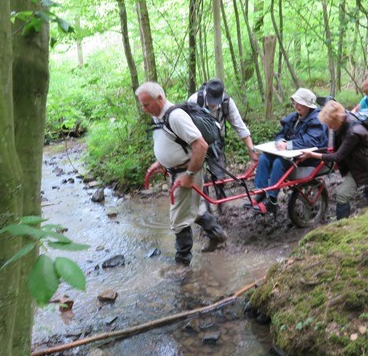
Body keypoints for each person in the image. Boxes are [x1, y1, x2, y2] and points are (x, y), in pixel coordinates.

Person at [136, 82, 227, 265]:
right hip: (176, 171)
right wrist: (160, 162)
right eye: (142, 105)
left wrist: (189, 174)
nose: (144, 109)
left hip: (186, 171)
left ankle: (182, 263)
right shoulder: (158, 115)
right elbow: (173, 142)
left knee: (178, 220)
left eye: (147, 104)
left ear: (160, 99)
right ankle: (217, 234)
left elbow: (201, 146)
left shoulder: (176, 116)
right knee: (190, 210)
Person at [298, 100, 368, 219]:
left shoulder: (353, 132)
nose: (329, 127)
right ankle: (341, 226)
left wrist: (312, 154)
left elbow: (337, 156)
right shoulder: (344, 122)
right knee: (342, 196)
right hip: (357, 168)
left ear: (337, 120)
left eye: (330, 124)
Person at [249, 88, 328, 215]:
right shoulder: (294, 118)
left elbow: (311, 141)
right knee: (264, 158)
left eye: (299, 103)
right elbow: (281, 134)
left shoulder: (316, 120)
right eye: (295, 103)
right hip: (292, 156)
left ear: (308, 105)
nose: (296, 106)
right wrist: (280, 141)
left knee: (279, 163)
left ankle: (272, 200)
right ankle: (261, 192)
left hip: (309, 158)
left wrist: (288, 145)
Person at [188, 79, 259, 202]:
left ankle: (222, 204)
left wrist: (251, 150)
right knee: (199, 176)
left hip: (216, 143)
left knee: (219, 175)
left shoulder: (227, 103)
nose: (213, 104)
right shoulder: (194, 101)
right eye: (211, 101)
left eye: (216, 101)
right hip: (196, 143)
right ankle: (205, 205)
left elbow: (240, 126)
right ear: (206, 94)